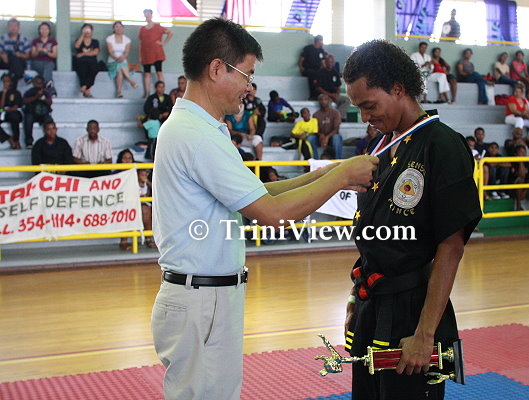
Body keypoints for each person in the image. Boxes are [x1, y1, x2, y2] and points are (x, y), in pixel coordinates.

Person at [150, 18, 377, 400]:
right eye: (247, 74)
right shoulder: (197, 136)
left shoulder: (201, 128)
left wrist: (327, 173)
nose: (249, 87)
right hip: (201, 300)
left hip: (206, 298)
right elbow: (273, 214)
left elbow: (258, 193)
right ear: (217, 69)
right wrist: (341, 177)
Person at [342, 39, 481, 400]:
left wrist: (425, 334)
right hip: (372, 303)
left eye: (369, 105)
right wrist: (356, 300)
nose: (365, 117)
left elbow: (451, 246)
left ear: (398, 89)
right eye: (359, 108)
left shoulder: (442, 145)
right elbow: (373, 236)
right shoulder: (382, 147)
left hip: (413, 311)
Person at [139, 9, 172, 98]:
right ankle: (147, 93)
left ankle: (162, 92)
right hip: (146, 54)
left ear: (151, 15)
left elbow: (169, 33)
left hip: (157, 53)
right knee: (147, 74)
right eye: (145, 14)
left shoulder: (157, 26)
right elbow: (140, 43)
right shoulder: (142, 29)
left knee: (159, 72)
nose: (147, 15)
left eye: (148, 14)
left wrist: (163, 43)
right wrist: (140, 55)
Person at [106, 21, 138, 98]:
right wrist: (116, 58)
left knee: (120, 70)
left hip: (123, 61)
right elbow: (110, 51)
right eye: (116, 27)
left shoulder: (127, 39)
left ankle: (119, 92)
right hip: (112, 61)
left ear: (123, 28)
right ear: (114, 29)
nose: (119, 28)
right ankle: (131, 81)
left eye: (120, 27)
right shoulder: (109, 38)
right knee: (119, 65)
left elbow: (127, 52)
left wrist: (122, 58)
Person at [22, 75, 53, 149]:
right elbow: (24, 101)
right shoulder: (29, 92)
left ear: (43, 84)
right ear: (33, 83)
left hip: (43, 113)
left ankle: (50, 140)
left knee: (49, 121)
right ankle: (29, 142)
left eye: (40, 83)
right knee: (28, 119)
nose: (38, 85)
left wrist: (43, 97)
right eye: (36, 83)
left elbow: (50, 102)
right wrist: (36, 97)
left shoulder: (46, 92)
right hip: (31, 113)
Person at [315, 54, 350, 120]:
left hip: (334, 95)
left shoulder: (335, 72)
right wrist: (331, 95)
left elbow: (338, 86)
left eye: (332, 62)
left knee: (347, 100)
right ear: (325, 62)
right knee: (326, 101)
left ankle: (339, 117)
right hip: (324, 95)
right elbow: (318, 88)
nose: (330, 63)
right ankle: (331, 119)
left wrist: (336, 94)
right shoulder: (320, 72)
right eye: (329, 62)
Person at [309, 94, 343, 160]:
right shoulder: (316, 114)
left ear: (329, 101)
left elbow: (336, 129)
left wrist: (327, 137)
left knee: (336, 138)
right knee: (310, 139)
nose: (323, 101)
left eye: (325, 99)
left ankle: (337, 161)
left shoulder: (335, 112)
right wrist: (320, 135)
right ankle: (315, 161)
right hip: (320, 138)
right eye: (321, 100)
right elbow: (315, 130)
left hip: (332, 137)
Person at [0, 18, 30, 87]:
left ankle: (10, 82)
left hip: (20, 62)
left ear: (18, 27)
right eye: (11, 26)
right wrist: (2, 56)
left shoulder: (24, 39)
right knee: (11, 56)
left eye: (15, 26)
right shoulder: (3, 38)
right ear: (8, 27)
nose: (13, 28)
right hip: (6, 62)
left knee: (14, 57)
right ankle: (23, 75)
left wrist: (20, 55)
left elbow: (27, 55)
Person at [73, 23, 100, 98]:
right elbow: (76, 46)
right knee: (82, 69)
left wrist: (83, 54)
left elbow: (95, 52)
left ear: (92, 31)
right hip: (81, 62)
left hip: (92, 61)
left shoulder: (95, 41)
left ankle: (84, 86)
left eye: (89, 29)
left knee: (94, 69)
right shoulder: (79, 40)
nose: (87, 31)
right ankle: (87, 89)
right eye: (85, 29)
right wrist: (82, 35)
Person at [30, 22, 58, 94]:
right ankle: (51, 90)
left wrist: (46, 52)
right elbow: (33, 55)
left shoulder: (53, 41)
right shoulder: (35, 41)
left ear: (49, 30)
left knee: (48, 67)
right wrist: (38, 51)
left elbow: (54, 55)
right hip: (37, 62)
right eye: (42, 29)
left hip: (49, 62)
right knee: (47, 71)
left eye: (46, 29)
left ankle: (47, 88)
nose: (44, 31)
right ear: (39, 30)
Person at [298, 35, 325, 99]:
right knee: (314, 76)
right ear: (318, 41)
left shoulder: (321, 50)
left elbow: (323, 62)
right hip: (308, 69)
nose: (322, 42)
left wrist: (325, 69)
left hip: (317, 70)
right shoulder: (308, 48)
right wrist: (301, 68)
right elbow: (301, 60)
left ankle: (322, 95)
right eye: (321, 41)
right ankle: (313, 96)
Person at [0, 73, 22, 149]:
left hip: (13, 112)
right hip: (3, 113)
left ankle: (16, 140)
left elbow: (15, 107)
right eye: (4, 81)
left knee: (14, 116)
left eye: (7, 81)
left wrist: (5, 110)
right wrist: (4, 93)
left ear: (11, 82)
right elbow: (0, 108)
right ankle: (8, 138)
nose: (5, 83)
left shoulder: (16, 93)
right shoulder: (1, 93)